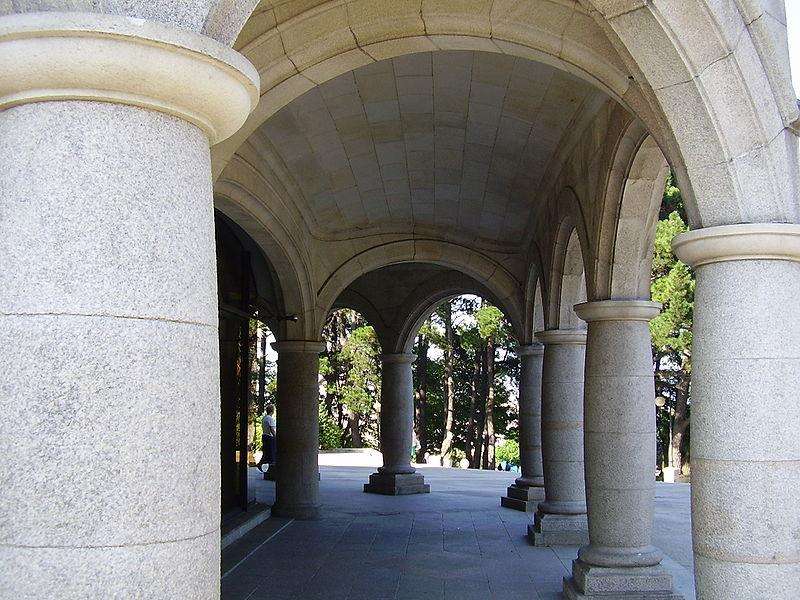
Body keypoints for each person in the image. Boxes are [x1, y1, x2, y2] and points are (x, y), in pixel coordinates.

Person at [256, 404, 276, 473]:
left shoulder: (264, 418)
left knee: (266, 453)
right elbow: (272, 429)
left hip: (264, 436)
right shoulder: (270, 418)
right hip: (269, 438)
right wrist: (275, 437)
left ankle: (260, 464)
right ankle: (271, 471)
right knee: (271, 453)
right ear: (272, 411)